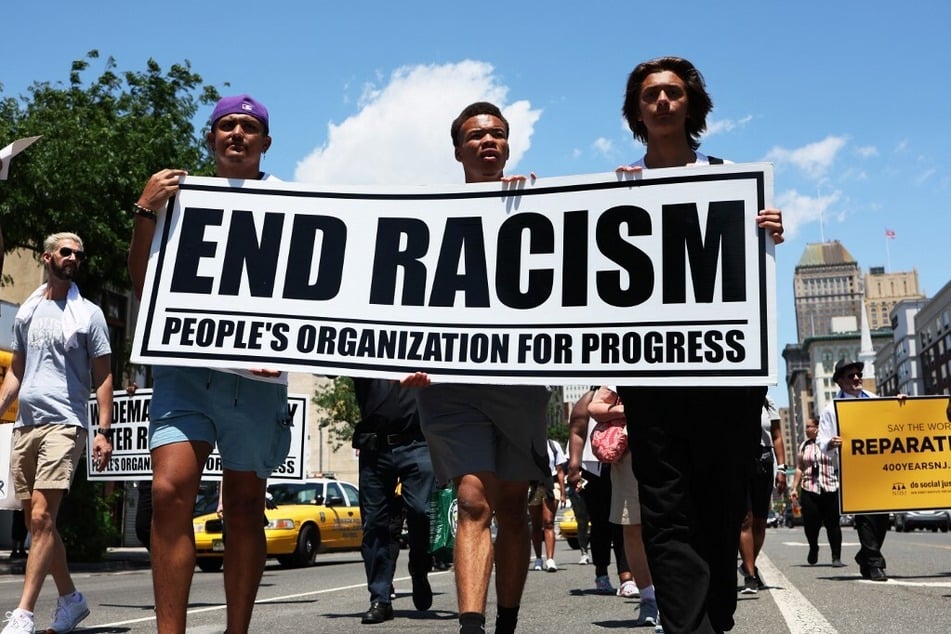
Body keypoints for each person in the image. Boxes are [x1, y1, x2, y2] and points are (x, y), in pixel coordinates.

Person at [613, 56, 785, 634]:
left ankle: (717, 613)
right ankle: (685, 624)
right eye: (651, 95)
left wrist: (768, 229)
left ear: (691, 104)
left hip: (726, 379)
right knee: (664, 509)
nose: (662, 102)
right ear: (637, 111)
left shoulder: (730, 176)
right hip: (652, 380)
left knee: (718, 504)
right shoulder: (616, 189)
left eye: (673, 93)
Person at [127, 94, 293, 634]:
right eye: (227, 126)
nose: (237, 134)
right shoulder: (176, 198)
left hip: (257, 378)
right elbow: (140, 283)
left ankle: (236, 630)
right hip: (183, 370)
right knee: (169, 491)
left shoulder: (294, 201)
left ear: (266, 142)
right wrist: (145, 208)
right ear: (210, 139)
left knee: (244, 503)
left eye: (249, 127)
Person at [402, 102, 551, 634]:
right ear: (458, 150)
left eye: (498, 134)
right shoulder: (427, 210)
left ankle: (505, 622)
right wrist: (406, 352)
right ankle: (470, 627)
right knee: (471, 499)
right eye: (476, 136)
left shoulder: (541, 205)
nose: (488, 142)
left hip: (520, 380)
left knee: (513, 509)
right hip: (450, 384)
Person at [0, 232, 114, 634]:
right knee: (36, 523)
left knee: (45, 516)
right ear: (48, 257)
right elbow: (16, 369)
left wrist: (102, 430)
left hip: (65, 423)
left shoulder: (89, 314)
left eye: (79, 254)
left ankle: (24, 613)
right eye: (66, 252)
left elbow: (103, 377)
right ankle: (71, 600)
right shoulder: (28, 310)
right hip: (26, 423)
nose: (73, 258)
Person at [351, 378, 435, 624]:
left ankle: (419, 568)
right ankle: (380, 598)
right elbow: (327, 361)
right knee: (375, 524)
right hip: (374, 446)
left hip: (417, 441)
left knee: (422, 511)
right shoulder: (362, 341)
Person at [588, 386, 658, 627]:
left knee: (672, 526)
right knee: (632, 527)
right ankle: (649, 598)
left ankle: (674, 596)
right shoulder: (620, 370)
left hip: (673, 448)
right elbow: (594, 407)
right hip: (629, 453)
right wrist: (627, 409)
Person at [817, 358, 889, 581]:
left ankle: (864, 556)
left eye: (859, 374)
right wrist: (831, 443)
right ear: (839, 382)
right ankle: (875, 563)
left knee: (882, 519)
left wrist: (901, 405)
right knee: (865, 517)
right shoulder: (832, 410)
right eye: (851, 376)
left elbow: (893, 424)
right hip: (852, 471)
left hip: (879, 468)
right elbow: (822, 441)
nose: (857, 379)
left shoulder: (876, 401)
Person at [564, 388, 633, 595]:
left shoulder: (624, 393)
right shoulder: (588, 399)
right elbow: (577, 431)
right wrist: (574, 467)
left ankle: (626, 577)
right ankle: (601, 574)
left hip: (622, 461)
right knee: (601, 522)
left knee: (625, 520)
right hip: (593, 466)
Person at [738, 396, 787, 594]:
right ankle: (750, 575)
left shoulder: (768, 402)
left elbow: (776, 436)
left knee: (759, 521)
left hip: (764, 462)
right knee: (745, 519)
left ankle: (750, 563)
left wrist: (782, 468)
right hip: (739, 462)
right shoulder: (732, 397)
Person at [791, 417, 844, 568]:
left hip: (830, 486)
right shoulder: (804, 445)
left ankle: (836, 556)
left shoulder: (831, 443)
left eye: (809, 426)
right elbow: (800, 467)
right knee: (810, 524)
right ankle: (813, 547)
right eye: (806, 426)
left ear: (818, 428)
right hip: (809, 488)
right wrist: (794, 487)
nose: (806, 429)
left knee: (832, 523)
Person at [528, 438, 566, 572]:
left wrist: (562, 493)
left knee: (549, 522)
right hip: (533, 486)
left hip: (551, 484)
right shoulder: (527, 444)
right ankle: (538, 558)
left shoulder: (553, 445)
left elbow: (560, 470)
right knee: (536, 524)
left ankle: (550, 559)